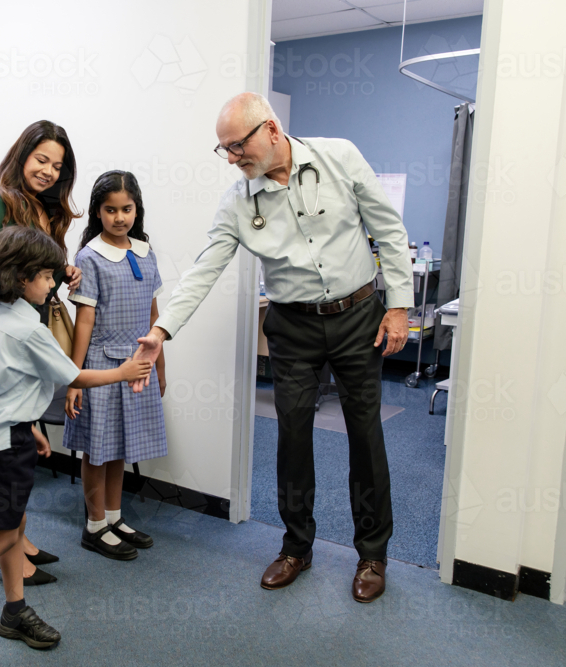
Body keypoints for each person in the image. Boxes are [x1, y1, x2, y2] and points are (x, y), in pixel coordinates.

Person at [132, 93, 413, 603]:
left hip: (358, 317)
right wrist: (162, 331)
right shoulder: (238, 202)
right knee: (292, 437)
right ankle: (296, 548)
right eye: (225, 150)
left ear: (272, 129)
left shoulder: (339, 157)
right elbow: (205, 268)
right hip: (294, 326)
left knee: (366, 436)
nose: (234, 157)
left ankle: (373, 553)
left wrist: (399, 307)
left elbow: (388, 230)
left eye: (238, 145)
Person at [0, 226, 152, 661]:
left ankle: (14, 610)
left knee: (14, 526)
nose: (53, 283)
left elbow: (6, 384)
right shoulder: (28, 330)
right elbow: (74, 377)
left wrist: (29, 424)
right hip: (0, 442)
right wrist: (124, 372)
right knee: (0, 537)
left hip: (2, 431)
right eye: (46, 276)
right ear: (21, 278)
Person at [0, 120, 83, 585]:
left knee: (23, 440)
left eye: (58, 165)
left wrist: (62, 268)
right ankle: (6, 554)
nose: (49, 171)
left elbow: (29, 263)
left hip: (26, 327)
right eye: (41, 159)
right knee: (7, 446)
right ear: (21, 155)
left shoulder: (44, 208)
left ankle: (18, 540)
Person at [63, 171, 168, 560]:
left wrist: (160, 367)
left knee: (121, 446)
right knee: (97, 449)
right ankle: (94, 526)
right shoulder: (89, 258)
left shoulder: (145, 252)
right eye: (110, 210)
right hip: (102, 368)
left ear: (136, 210)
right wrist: (75, 379)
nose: (120, 217)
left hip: (137, 366)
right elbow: (84, 323)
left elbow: (156, 316)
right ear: (98, 212)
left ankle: (113, 516)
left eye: (127, 209)